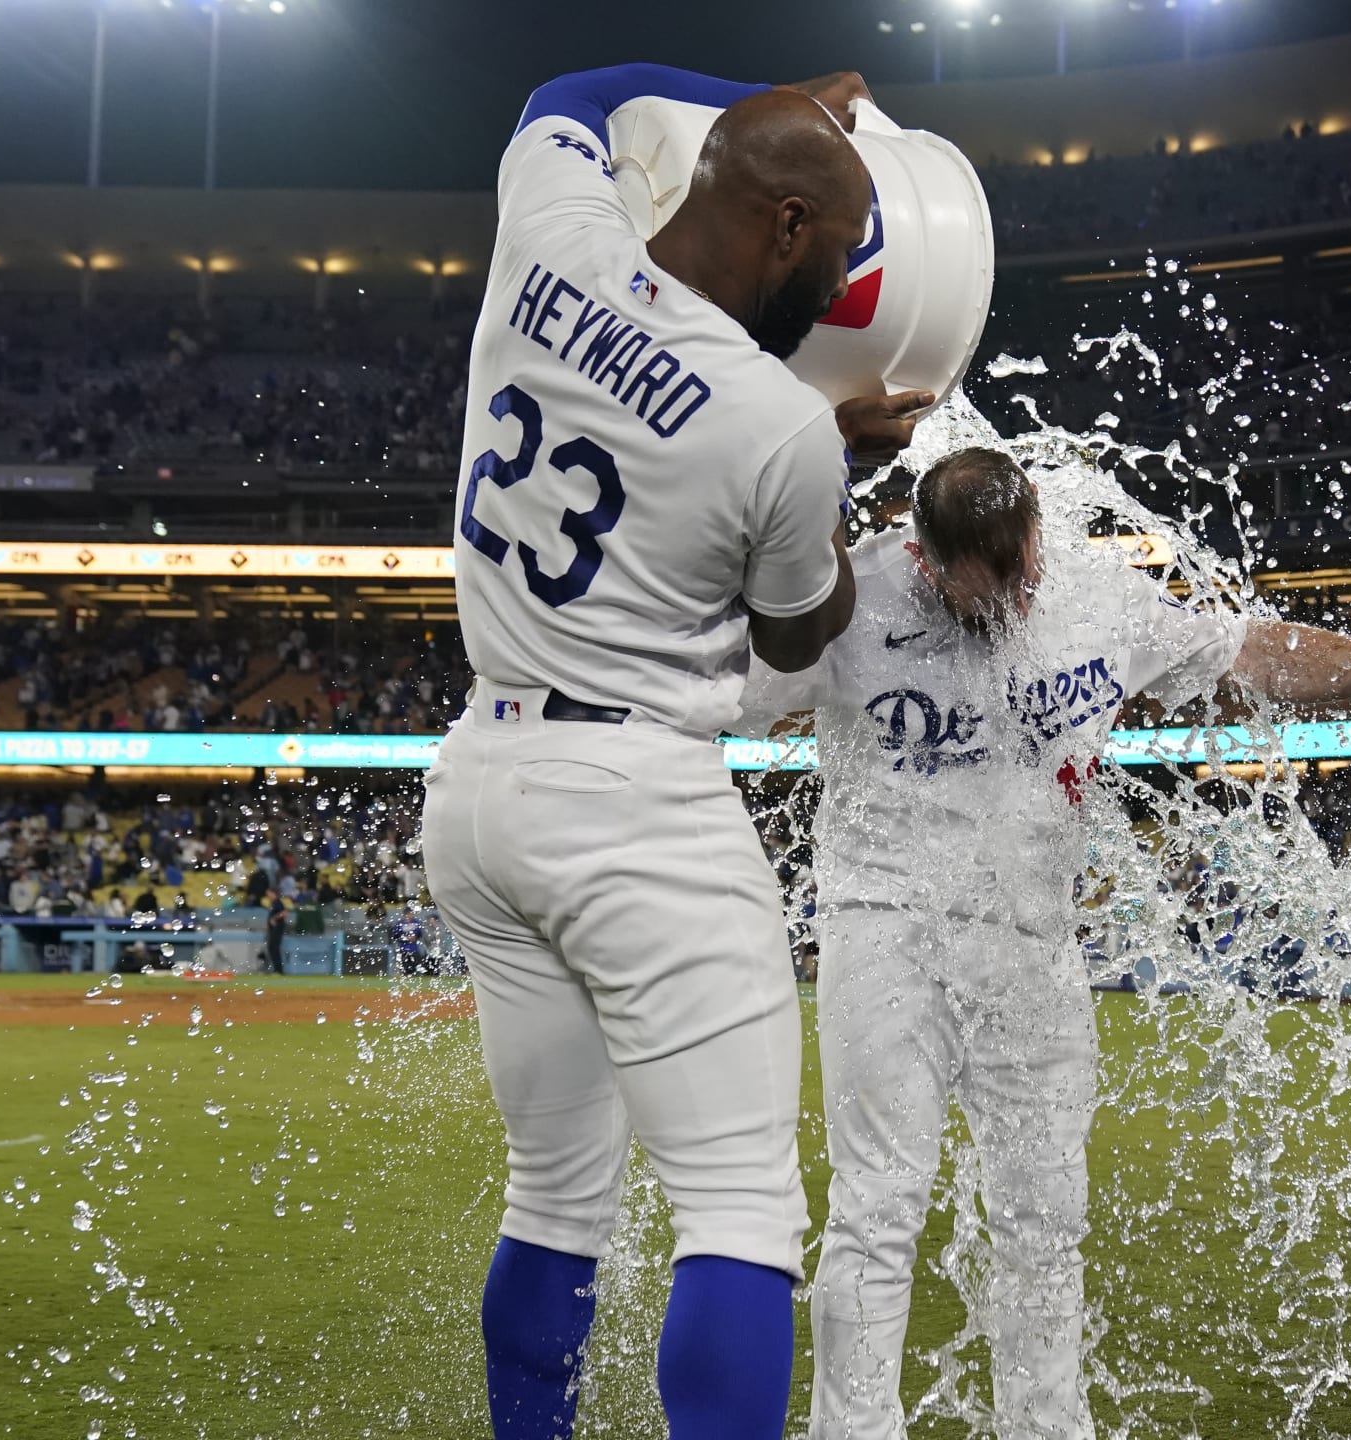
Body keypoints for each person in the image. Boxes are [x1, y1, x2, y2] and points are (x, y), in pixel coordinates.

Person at [732, 446, 1351, 1440]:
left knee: (1045, 1224)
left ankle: (1046, 1426)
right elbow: (720, 693)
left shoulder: (1094, 594)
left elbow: (1254, 652)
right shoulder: (849, 599)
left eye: (1019, 585)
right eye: (977, 597)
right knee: (876, 1216)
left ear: (1035, 539)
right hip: (886, 928)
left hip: (1032, 942)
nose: (1007, 613)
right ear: (923, 555)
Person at [417, 64, 933, 1440]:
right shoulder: (777, 428)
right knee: (742, 1209)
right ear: (777, 223)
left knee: (554, 1195)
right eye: (834, 250)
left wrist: (758, 95)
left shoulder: (552, 236)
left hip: (479, 781)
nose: (836, 291)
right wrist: (835, 480)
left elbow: (566, 89)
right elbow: (794, 642)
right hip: (632, 800)